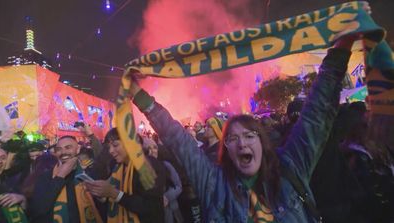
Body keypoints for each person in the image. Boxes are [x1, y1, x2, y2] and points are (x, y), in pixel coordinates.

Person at [126, 34, 357, 222]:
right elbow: (175, 136)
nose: (242, 143)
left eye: (249, 135)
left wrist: (341, 49)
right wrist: (138, 95)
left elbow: (315, 116)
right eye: (233, 139)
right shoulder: (214, 184)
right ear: (226, 149)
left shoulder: (290, 169)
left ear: (262, 141)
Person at [84, 128, 166, 223]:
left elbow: (152, 206)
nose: (111, 151)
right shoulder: (117, 168)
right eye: (108, 147)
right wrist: (99, 192)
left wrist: (114, 193)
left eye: (115, 145)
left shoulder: (148, 165)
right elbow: (111, 200)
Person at [29, 135, 103, 223]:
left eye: (68, 147)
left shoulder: (90, 173)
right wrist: (60, 176)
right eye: (59, 149)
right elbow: (38, 210)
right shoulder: (46, 176)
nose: (63, 152)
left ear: (78, 149)